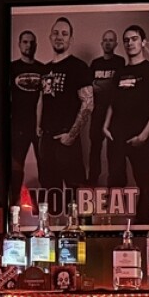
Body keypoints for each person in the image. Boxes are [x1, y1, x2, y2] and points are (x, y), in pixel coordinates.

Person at [105, 25, 149, 219]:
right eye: (127, 40)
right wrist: (105, 126)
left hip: (139, 136)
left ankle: (143, 227)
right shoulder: (120, 72)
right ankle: (114, 228)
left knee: (144, 183)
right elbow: (112, 103)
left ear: (143, 42)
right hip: (116, 135)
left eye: (134, 39)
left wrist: (143, 136)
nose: (130, 43)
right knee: (115, 182)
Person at [37, 17, 93, 189]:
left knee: (76, 194)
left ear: (71, 39)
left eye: (64, 33)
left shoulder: (79, 67)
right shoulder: (45, 69)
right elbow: (42, 99)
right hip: (46, 140)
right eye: (55, 33)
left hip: (66, 140)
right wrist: (38, 126)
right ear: (50, 37)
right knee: (49, 191)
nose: (59, 37)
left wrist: (71, 136)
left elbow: (88, 104)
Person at [9, 30, 43, 202]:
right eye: (25, 42)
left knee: (45, 168)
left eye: (32, 42)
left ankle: (47, 210)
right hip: (17, 126)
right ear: (19, 44)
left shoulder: (42, 69)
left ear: (36, 45)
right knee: (15, 170)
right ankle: (13, 207)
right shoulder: (11, 68)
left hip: (39, 126)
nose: (28, 45)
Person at [87, 30, 124, 185]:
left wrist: (100, 85)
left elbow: (116, 86)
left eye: (111, 40)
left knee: (114, 149)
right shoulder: (95, 63)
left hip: (115, 112)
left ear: (116, 44)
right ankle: (92, 182)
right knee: (94, 148)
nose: (108, 43)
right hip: (98, 111)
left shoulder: (120, 62)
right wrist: (105, 85)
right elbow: (89, 87)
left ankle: (114, 185)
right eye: (105, 40)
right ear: (102, 44)